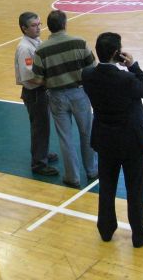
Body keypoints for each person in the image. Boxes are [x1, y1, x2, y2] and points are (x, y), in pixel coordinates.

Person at [82, 32, 143, 248]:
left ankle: (105, 229)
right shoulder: (126, 78)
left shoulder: (87, 75)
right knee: (135, 188)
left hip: (105, 140)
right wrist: (133, 65)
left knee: (107, 186)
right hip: (131, 141)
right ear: (118, 53)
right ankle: (139, 233)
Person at [32, 10, 98, 189]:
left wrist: (53, 80)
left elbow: (38, 79)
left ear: (49, 27)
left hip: (56, 96)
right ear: (65, 24)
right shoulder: (79, 42)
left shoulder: (41, 49)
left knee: (65, 137)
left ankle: (72, 177)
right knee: (87, 133)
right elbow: (92, 68)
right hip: (79, 94)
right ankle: (91, 171)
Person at [14, 12, 59, 176]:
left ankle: (43, 153)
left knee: (44, 126)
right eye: (34, 25)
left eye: (39, 24)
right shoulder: (25, 48)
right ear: (24, 28)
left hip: (40, 91)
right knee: (40, 127)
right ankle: (39, 163)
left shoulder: (36, 41)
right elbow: (30, 77)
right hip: (34, 93)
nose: (38, 28)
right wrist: (51, 82)